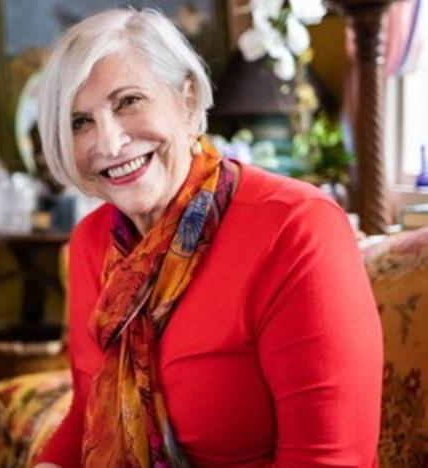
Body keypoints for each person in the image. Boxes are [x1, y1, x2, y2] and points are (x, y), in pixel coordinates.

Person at [34, 8, 382, 468]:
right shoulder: (91, 243)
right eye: (80, 122)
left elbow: (330, 460)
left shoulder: (297, 229)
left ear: (187, 97)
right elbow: (88, 411)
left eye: (128, 101)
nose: (110, 143)